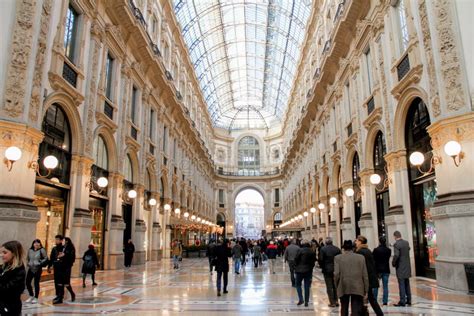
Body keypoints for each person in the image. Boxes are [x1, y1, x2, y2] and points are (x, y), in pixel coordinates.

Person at [334, 240, 368, 316]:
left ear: (343, 248)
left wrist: (336, 284)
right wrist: (366, 288)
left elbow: (336, 274)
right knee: (356, 308)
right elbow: (365, 274)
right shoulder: (361, 258)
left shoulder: (337, 258)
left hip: (343, 284)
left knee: (344, 307)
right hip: (358, 285)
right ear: (353, 248)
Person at [355, 235, 384, 315]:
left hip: (366, 278)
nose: (355, 242)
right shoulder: (367, 250)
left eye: (356, 241)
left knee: (365, 298)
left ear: (360, 241)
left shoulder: (360, 252)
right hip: (370, 277)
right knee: (370, 298)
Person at [0, 240, 26, 315]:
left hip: (10, 309)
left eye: (5, 253)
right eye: (1, 252)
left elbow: (7, 290)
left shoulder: (19, 270)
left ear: (14, 253)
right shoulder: (4, 266)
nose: (1, 255)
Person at [48, 235, 76, 304]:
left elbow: (71, 258)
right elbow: (52, 258)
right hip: (57, 267)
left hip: (65, 268)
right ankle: (59, 297)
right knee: (58, 283)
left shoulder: (67, 248)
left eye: (58, 239)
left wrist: (64, 255)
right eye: (56, 239)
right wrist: (50, 266)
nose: (56, 241)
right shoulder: (54, 249)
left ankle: (72, 294)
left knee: (66, 283)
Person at [319, 237, 341, 307]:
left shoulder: (323, 249)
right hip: (336, 269)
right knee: (335, 286)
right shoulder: (337, 249)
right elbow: (340, 259)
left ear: (326, 242)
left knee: (329, 286)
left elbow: (321, 259)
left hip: (327, 270)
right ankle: (336, 300)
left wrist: (322, 267)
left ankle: (332, 302)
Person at [294, 240, 316, 307]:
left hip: (299, 271)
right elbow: (313, 261)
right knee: (307, 286)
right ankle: (306, 301)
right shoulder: (312, 251)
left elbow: (296, 259)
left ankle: (301, 299)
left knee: (298, 285)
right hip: (308, 271)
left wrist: (296, 267)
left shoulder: (300, 250)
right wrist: (311, 268)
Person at [392, 231, 412, 307]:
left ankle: (402, 301)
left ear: (395, 236)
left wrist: (393, 263)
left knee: (401, 284)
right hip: (407, 266)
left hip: (400, 267)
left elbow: (396, 255)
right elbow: (408, 248)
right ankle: (409, 300)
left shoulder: (396, 244)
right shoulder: (406, 242)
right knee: (407, 283)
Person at [25, 239, 48, 304]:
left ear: (40, 244)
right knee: (27, 282)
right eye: (35, 243)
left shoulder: (42, 250)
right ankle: (31, 295)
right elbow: (27, 258)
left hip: (38, 269)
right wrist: (28, 263)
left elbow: (46, 258)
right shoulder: (30, 250)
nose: (36, 244)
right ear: (33, 244)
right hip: (31, 268)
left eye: (38, 243)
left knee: (36, 283)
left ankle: (36, 297)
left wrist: (40, 262)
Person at [373, 236, 391, 305]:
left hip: (378, 270)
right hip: (386, 269)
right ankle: (385, 301)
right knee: (385, 286)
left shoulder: (376, 250)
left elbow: (373, 259)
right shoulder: (388, 250)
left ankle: (374, 300)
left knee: (376, 286)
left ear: (379, 241)